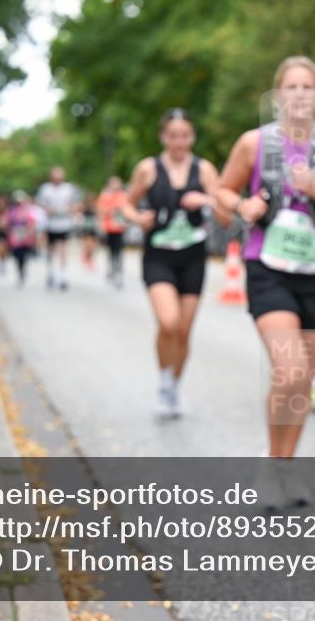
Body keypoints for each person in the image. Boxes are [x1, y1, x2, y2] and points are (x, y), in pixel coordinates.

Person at [215, 56, 315, 509]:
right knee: (291, 371)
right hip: (269, 267)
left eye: (307, 87)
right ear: (278, 94)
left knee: (304, 381)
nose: (299, 94)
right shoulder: (254, 143)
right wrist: (242, 207)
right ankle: (270, 464)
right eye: (292, 87)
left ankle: (286, 466)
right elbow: (222, 191)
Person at [121, 109, 226, 418]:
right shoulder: (148, 168)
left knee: (183, 331)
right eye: (173, 136)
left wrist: (206, 200)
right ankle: (164, 380)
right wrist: (137, 218)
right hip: (159, 256)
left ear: (192, 137)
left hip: (193, 257)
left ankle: (173, 387)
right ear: (163, 137)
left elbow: (225, 213)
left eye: (185, 136)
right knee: (169, 323)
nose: (179, 142)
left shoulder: (204, 170)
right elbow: (126, 204)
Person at [35, 166, 81, 290]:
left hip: (64, 223)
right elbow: (40, 203)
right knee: (50, 249)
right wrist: (48, 210)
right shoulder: (45, 189)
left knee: (63, 249)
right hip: (50, 224)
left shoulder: (68, 188)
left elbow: (76, 204)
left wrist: (70, 209)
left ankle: (62, 276)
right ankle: (50, 272)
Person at [97, 175, 128, 287]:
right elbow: (101, 210)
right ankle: (111, 270)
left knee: (119, 251)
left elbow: (125, 209)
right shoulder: (105, 195)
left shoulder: (123, 195)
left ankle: (118, 272)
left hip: (119, 228)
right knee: (110, 251)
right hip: (109, 228)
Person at [4, 190, 39, 286]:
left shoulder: (28, 210)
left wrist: (28, 233)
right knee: (17, 255)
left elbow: (32, 222)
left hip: (25, 236)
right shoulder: (11, 211)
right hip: (15, 236)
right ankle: (20, 271)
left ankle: (23, 270)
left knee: (24, 255)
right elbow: (7, 223)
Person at [79, 194, 100, 270]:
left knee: (94, 246)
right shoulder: (84, 207)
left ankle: (88, 258)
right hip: (86, 229)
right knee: (89, 246)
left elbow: (98, 215)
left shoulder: (95, 207)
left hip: (93, 228)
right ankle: (88, 259)